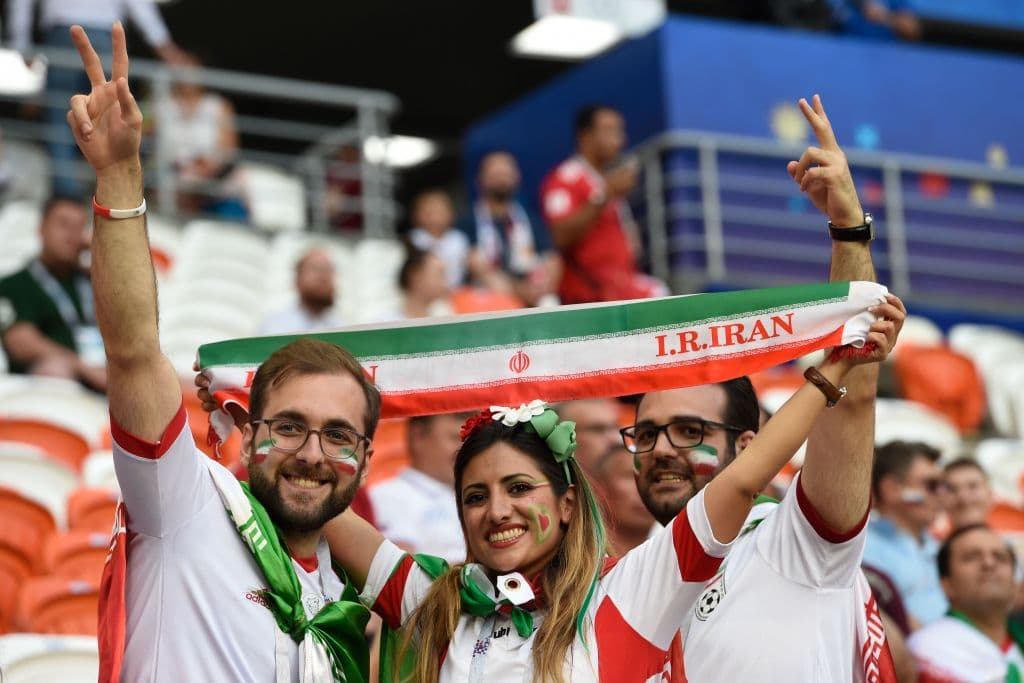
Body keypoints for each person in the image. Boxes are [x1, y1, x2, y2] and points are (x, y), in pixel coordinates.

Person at [323, 303, 893, 683]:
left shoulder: (626, 596)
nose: (496, 511)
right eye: (474, 497)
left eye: (520, 487)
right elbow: (316, 504)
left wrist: (831, 375)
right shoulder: (441, 602)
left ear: (568, 504)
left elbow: (743, 480)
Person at [65, 24, 374, 681]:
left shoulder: (348, 611)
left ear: (366, 458)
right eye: (289, 426)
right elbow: (133, 352)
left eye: (340, 435)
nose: (313, 453)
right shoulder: (187, 503)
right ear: (249, 431)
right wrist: (120, 175)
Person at [627, 95, 905, 680]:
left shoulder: (794, 542)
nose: (662, 450)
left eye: (689, 430)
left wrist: (849, 233)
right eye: (647, 434)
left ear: (750, 447)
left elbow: (849, 401)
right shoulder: (628, 584)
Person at [7, 0, 188, 198]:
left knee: (65, 120)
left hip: (64, 34)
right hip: (104, 34)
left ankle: (67, 196)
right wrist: (165, 47)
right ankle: (110, 193)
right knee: (110, 118)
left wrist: (21, 44)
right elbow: (139, 5)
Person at [540, 104, 666, 305]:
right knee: (656, 294)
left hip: (620, 284)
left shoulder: (603, 180)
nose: (620, 139)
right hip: (587, 292)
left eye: (620, 130)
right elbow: (559, 235)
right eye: (609, 130)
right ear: (585, 137)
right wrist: (604, 196)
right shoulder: (565, 178)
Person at [0, 194, 106, 391]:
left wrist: (100, 253)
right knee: (55, 370)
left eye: (78, 228)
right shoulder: (14, 284)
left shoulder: (91, 280)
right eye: (63, 225)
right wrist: (83, 367)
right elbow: (20, 344)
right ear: (41, 228)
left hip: (103, 376)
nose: (71, 235)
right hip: (54, 387)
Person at [908, 524, 1023, 682]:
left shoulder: (1019, 642)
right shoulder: (927, 650)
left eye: (1000, 557)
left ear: (1015, 585)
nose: (989, 563)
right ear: (945, 584)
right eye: (972, 557)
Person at [865, 440, 949, 627]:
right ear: (891, 489)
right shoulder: (862, 547)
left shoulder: (939, 548)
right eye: (931, 485)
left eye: (944, 485)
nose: (942, 494)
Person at [462, 151, 560, 306]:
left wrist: (541, 288)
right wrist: (517, 291)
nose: (502, 179)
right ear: (480, 180)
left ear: (517, 178)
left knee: (550, 302)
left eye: (506, 174)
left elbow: (552, 259)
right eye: (496, 174)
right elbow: (474, 264)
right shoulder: (467, 222)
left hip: (531, 295)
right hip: (488, 301)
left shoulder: (530, 219)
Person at [150, 55, 243, 216]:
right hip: (173, 172)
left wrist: (206, 169)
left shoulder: (218, 105)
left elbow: (229, 147)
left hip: (213, 174)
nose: (188, 77)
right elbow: (148, 143)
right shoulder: (162, 105)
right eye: (183, 71)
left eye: (193, 71)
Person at [368, 414, 467, 563]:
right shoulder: (387, 495)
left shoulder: (472, 495)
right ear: (418, 436)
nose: (464, 450)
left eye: (468, 441)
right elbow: (404, 571)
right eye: (455, 438)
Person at [590, 444, 656, 555]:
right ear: (598, 487)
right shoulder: (573, 559)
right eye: (631, 477)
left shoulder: (678, 557)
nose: (645, 490)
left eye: (655, 479)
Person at [260, 247, 342, 335]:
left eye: (328, 270)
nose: (324, 277)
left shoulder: (341, 327)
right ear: (297, 279)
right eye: (316, 269)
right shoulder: (275, 325)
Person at [408, 190, 469, 290]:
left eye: (439, 213)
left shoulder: (459, 239)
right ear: (416, 215)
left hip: (455, 291)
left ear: (451, 214)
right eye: (429, 213)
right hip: (425, 292)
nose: (434, 218)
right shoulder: (413, 239)